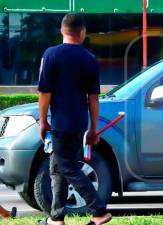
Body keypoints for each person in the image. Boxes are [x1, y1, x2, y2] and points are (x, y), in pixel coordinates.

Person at [37, 14, 111, 225]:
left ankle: (99, 211)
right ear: (82, 32)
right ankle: (56, 218)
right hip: (79, 124)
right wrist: (94, 128)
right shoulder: (89, 58)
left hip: (60, 121)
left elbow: (44, 92)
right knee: (57, 168)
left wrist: (43, 121)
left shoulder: (50, 54)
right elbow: (93, 98)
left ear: (62, 30)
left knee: (66, 166)